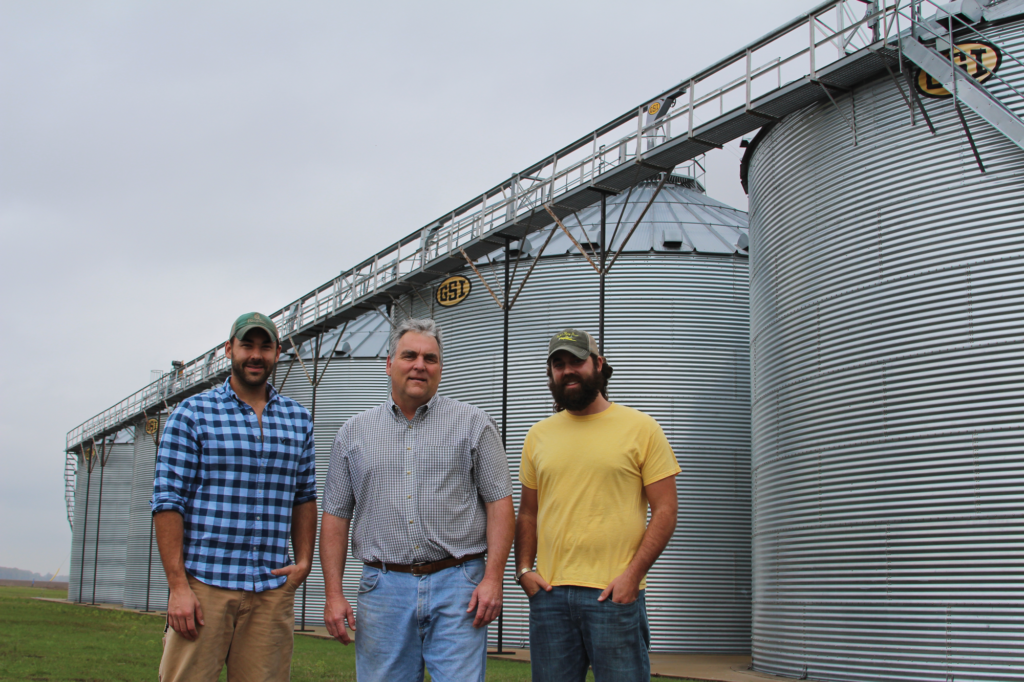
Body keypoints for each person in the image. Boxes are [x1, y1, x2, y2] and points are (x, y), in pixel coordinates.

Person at [319, 318, 514, 682]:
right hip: (383, 588)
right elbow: (335, 516)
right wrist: (333, 593)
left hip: (459, 585)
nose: (420, 365)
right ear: (389, 363)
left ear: (441, 367)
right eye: (409, 355)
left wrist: (493, 578)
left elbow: (500, 503)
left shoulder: (474, 423)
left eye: (431, 358)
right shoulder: (353, 433)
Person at [152, 312, 317, 682]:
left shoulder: (298, 419)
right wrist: (178, 587)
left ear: (277, 353)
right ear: (229, 350)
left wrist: (304, 561)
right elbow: (167, 502)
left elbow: (304, 496)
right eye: (247, 345)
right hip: (205, 586)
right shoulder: (192, 414)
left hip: (270, 590)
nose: (255, 355)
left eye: (265, 347)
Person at [514, 328, 680, 682]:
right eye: (558, 364)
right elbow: (528, 512)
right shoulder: (537, 436)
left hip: (614, 596)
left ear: (599, 364)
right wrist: (525, 569)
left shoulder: (642, 428)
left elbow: (665, 510)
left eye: (576, 360)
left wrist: (631, 578)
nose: (567, 370)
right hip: (550, 598)